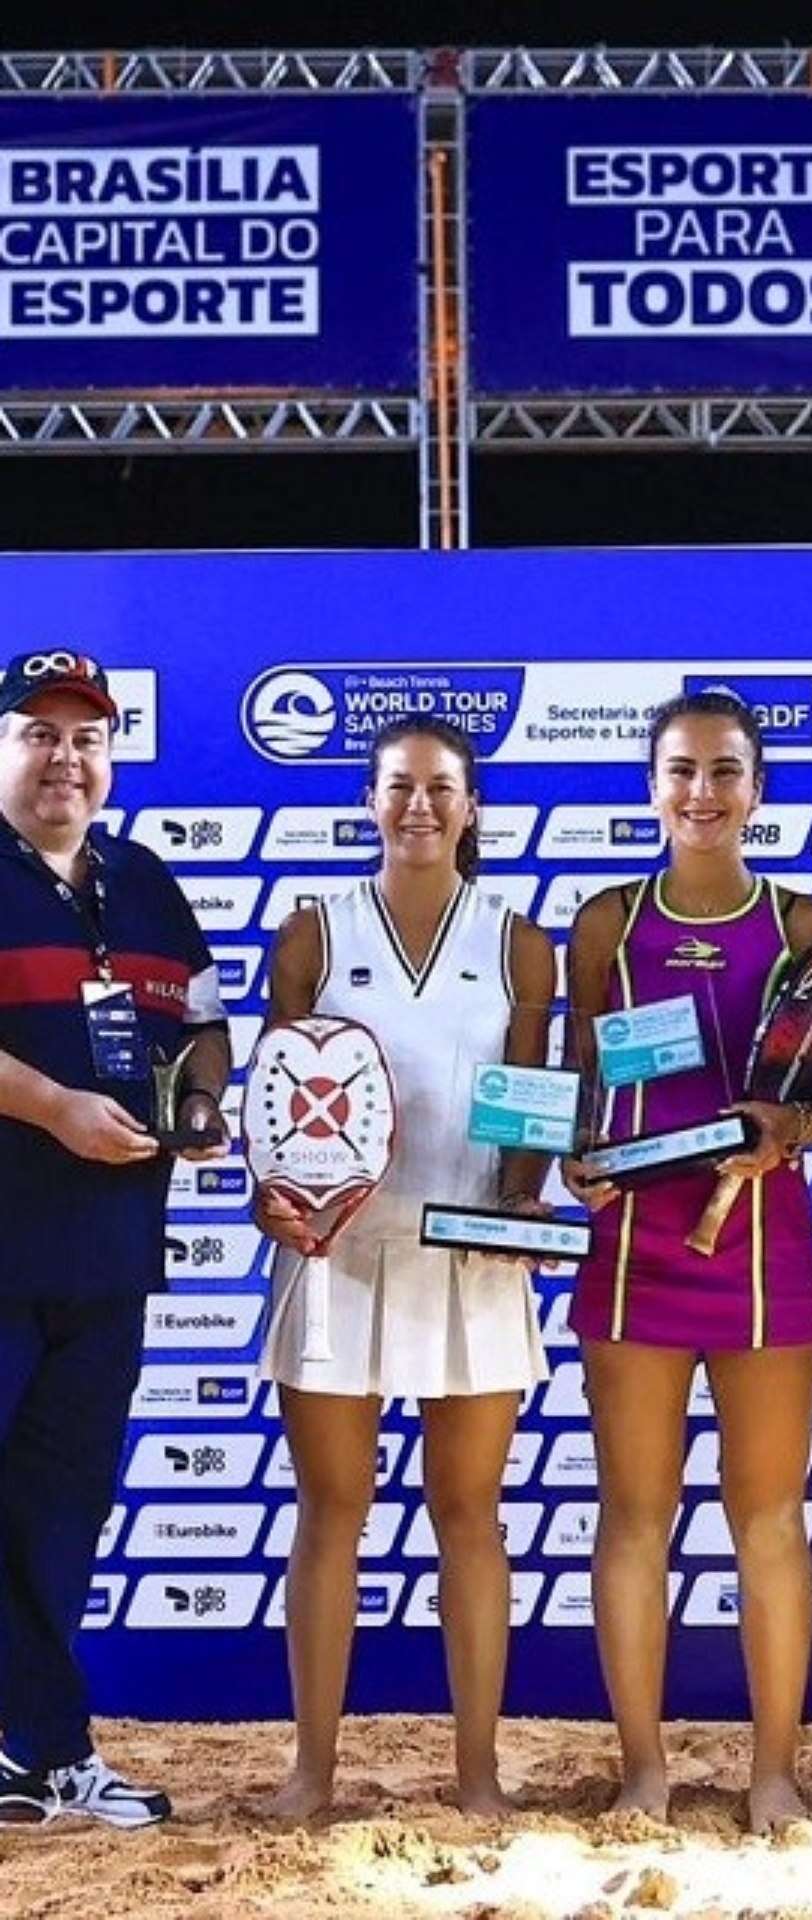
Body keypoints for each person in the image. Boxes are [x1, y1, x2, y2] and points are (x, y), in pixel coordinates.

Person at [563, 689, 812, 1833]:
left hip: (765, 1251)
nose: (703, 793)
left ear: (759, 790)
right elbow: (580, 1096)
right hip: (638, 1252)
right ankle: (644, 1771)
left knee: (769, 1520)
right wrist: (574, 1162)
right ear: (651, 786)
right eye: (682, 772)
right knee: (635, 1517)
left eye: (726, 772)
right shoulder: (603, 925)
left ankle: (774, 1775)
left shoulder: (806, 928)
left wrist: (788, 1132)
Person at [256, 715, 555, 1819]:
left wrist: (526, 1200)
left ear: (471, 806)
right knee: (332, 1511)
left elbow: (530, 1106)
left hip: (473, 1253)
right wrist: (270, 1195)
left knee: (468, 1514)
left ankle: (477, 1773)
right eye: (398, 788)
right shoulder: (311, 934)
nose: (418, 806)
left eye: (440, 788)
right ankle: (312, 1771)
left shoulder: (520, 939)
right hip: (335, 1259)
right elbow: (276, 1105)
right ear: (370, 802)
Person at [0, 649, 230, 1829]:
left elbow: (201, 1022)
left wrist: (197, 1109)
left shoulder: (143, 879)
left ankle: (40, 1752)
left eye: (85, 738)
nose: (64, 758)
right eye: (38, 734)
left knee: (57, 1512)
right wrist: (49, 1107)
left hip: (106, 1260)